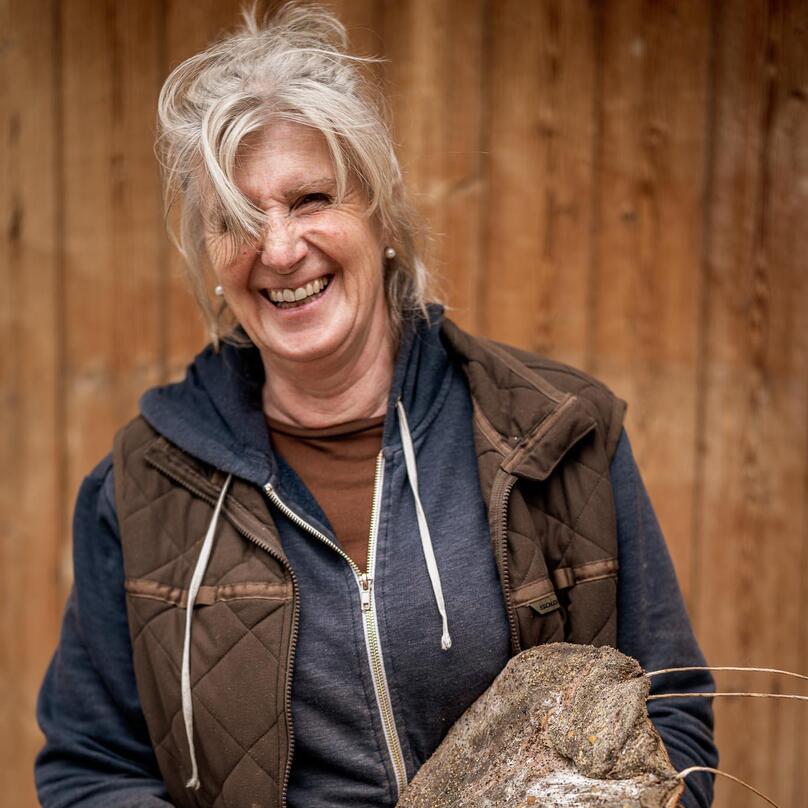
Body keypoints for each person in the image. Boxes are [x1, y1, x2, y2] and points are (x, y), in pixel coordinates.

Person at [35, 4, 717, 807]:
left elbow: (670, 720)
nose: (280, 249)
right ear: (211, 257)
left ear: (382, 215)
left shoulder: (556, 434)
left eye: (311, 198)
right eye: (238, 219)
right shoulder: (142, 487)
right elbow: (92, 771)